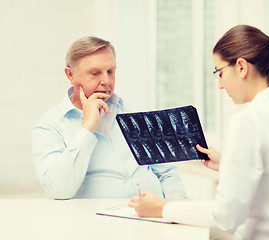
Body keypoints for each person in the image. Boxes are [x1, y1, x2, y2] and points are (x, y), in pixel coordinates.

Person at [129, 25, 269, 239]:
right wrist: (227, 164)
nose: (220, 85)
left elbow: (225, 216)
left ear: (241, 67)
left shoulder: (249, 121)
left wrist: (161, 208)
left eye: (220, 73)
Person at [32, 36, 186, 200]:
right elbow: (59, 190)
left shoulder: (133, 112)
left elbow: (167, 174)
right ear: (70, 75)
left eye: (110, 72)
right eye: (95, 73)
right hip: (96, 222)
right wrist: (87, 127)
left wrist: (177, 210)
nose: (106, 81)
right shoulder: (49, 126)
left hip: (154, 216)